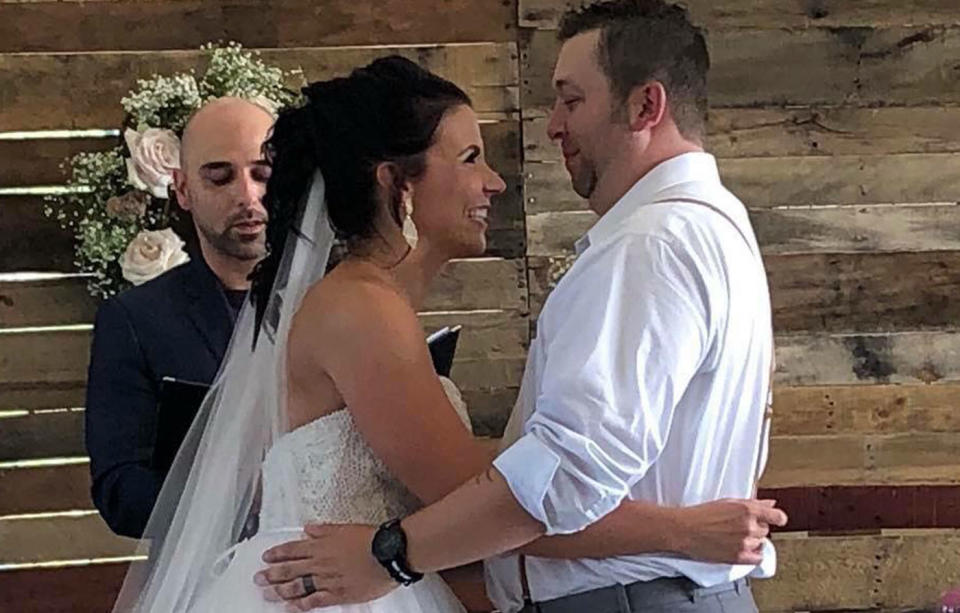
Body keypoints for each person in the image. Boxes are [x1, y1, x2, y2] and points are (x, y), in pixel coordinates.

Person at [112, 55, 784, 613]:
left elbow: (494, 481)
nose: (493, 182)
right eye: (468, 157)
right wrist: (688, 527)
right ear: (398, 185)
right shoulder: (360, 311)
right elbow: (483, 494)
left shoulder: (375, 307)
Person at [85, 97, 273, 537]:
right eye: (220, 177)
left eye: (262, 174)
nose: (248, 196)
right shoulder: (135, 320)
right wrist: (242, 505)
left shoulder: (335, 298)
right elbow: (120, 489)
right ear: (183, 190)